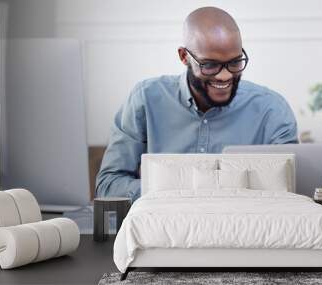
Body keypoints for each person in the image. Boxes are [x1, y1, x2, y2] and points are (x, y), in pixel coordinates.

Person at [96, 7, 298, 201]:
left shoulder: (272, 110)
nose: (225, 75)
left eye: (235, 62)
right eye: (210, 65)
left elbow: (292, 190)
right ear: (184, 57)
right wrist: (180, 193)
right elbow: (109, 185)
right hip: (162, 230)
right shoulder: (145, 100)